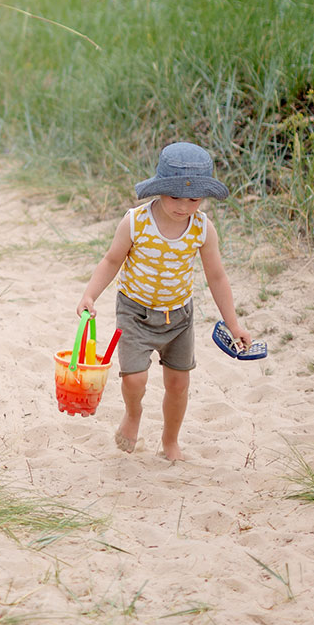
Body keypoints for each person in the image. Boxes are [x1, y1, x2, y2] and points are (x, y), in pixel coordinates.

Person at [75, 142, 254, 461]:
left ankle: (170, 441)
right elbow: (111, 260)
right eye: (175, 196)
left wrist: (234, 322)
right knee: (134, 378)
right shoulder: (136, 222)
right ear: (159, 189)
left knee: (178, 382)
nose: (184, 206)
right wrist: (90, 294)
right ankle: (133, 414)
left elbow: (217, 276)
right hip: (135, 312)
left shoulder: (202, 229)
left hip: (179, 317)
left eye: (194, 199)